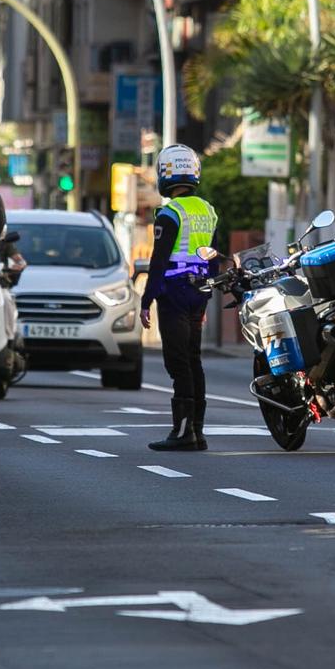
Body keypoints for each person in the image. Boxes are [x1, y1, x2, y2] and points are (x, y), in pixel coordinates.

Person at [139, 144, 218, 451]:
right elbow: (212, 255)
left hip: (173, 292)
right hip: (199, 291)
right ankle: (197, 432)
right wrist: (207, 291)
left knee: (178, 361)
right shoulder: (208, 211)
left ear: (165, 174)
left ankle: (183, 433)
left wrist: (146, 300)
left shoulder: (170, 214)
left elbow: (158, 260)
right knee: (193, 359)